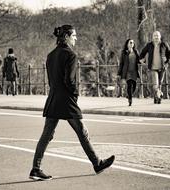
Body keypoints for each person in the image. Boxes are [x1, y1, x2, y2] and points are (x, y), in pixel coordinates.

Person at [29, 25, 115, 181]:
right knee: (81, 131)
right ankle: (97, 164)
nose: (76, 38)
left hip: (54, 98)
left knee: (46, 135)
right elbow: (70, 80)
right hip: (66, 99)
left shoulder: (50, 55)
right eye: (74, 35)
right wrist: (75, 94)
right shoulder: (71, 55)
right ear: (67, 36)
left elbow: (51, 80)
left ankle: (36, 168)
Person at [139, 31, 170, 104]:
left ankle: (157, 98)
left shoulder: (164, 44)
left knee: (159, 84)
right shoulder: (149, 45)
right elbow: (142, 52)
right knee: (155, 84)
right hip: (153, 68)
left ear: (160, 37)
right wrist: (142, 59)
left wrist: (167, 61)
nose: (156, 37)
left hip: (162, 68)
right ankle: (160, 95)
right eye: (155, 36)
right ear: (152, 37)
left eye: (157, 36)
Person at [117, 39, 140, 106]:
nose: (131, 44)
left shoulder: (136, 51)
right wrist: (119, 73)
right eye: (130, 42)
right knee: (129, 85)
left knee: (134, 85)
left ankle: (129, 95)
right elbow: (121, 63)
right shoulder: (124, 52)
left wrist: (142, 61)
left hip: (134, 71)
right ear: (127, 44)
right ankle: (130, 99)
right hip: (127, 72)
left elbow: (138, 60)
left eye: (133, 43)